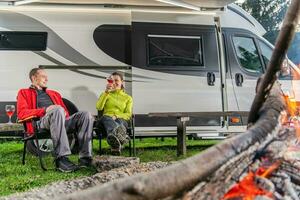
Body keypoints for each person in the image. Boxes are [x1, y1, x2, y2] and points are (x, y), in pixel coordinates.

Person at [17, 68, 94, 172]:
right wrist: (45, 110)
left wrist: (59, 112)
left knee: (86, 115)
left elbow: (65, 113)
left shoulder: (54, 94)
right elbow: (21, 114)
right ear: (34, 78)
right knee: (57, 109)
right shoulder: (24, 92)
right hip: (39, 124)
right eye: (43, 76)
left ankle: (85, 158)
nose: (47, 79)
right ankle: (61, 159)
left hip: (59, 121)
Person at [96, 72, 133, 154]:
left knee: (120, 121)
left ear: (122, 82)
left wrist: (116, 116)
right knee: (106, 117)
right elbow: (99, 107)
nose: (114, 82)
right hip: (105, 123)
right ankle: (121, 137)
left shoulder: (128, 98)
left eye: (117, 80)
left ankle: (115, 144)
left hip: (121, 120)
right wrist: (106, 92)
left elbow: (128, 114)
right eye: (112, 80)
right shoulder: (105, 94)